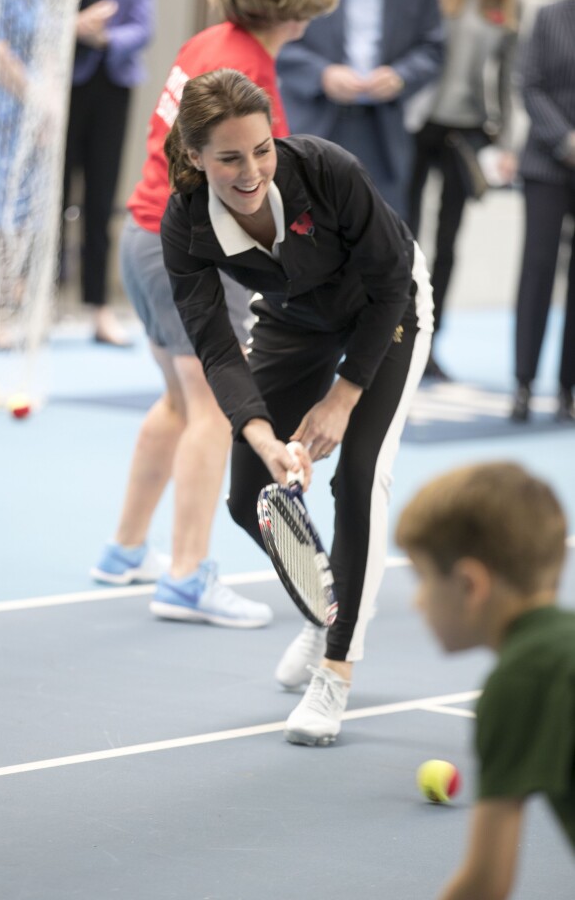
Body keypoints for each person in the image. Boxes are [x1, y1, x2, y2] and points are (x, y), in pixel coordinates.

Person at [160, 68, 434, 745]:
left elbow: (392, 281)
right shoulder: (186, 226)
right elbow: (218, 351)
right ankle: (326, 605)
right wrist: (261, 436)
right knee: (247, 493)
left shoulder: (326, 169)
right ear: (196, 157)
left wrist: (344, 395)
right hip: (294, 320)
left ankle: (335, 671)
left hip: (388, 311)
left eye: (261, 150)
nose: (251, 170)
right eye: (228, 157)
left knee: (359, 475)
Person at [91, 0, 341, 631]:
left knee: (178, 402)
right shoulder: (244, 71)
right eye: (310, 4)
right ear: (290, 4)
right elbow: (255, 188)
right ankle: (187, 576)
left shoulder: (210, 42)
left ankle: (124, 549)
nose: (314, 17)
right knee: (214, 412)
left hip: (141, 241)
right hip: (187, 256)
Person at [395, 461, 574, 900]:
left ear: (469, 586)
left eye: (422, 580)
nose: (417, 602)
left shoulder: (519, 681)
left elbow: (485, 885)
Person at [276, 0, 444, 215]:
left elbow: (434, 47)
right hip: (317, 119)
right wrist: (322, 74)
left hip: (383, 129)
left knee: (380, 237)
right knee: (309, 232)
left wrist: (401, 76)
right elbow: (277, 41)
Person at [405, 0, 520, 380]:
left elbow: (508, 84)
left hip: (466, 133)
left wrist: (507, 144)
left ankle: (431, 343)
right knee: (403, 237)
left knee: (448, 243)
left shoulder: (511, 8)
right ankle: (393, 335)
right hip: (418, 124)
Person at [61, 0, 156, 346]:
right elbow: (38, 17)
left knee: (100, 198)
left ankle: (98, 307)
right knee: (55, 196)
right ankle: (39, 303)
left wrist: (104, 37)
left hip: (111, 85)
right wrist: (73, 27)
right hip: (59, 88)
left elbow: (143, 25)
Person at [510, 0, 575, 423]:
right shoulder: (549, 16)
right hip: (548, 165)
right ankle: (524, 384)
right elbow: (529, 84)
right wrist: (566, 138)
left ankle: (567, 388)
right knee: (537, 269)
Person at [0, 0, 47, 348]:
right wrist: (36, 97)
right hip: (2, 108)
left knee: (19, 207)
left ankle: (10, 302)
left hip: (26, 114)